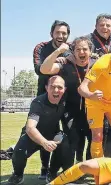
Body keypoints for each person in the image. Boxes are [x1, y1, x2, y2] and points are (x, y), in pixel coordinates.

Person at [8, 76, 73, 185]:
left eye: (59, 87)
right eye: (52, 87)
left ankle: (52, 172)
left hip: (52, 134)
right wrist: (44, 142)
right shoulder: (38, 103)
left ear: (64, 89)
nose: (56, 90)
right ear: (46, 88)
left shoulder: (65, 101)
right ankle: (17, 175)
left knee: (64, 141)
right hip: (32, 136)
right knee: (19, 151)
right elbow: (30, 128)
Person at [40, 36, 95, 164]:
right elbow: (44, 69)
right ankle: (69, 171)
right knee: (72, 139)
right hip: (70, 111)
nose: (81, 52)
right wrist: (57, 52)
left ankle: (87, 167)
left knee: (93, 139)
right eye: (78, 49)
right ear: (72, 51)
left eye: (85, 49)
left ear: (90, 51)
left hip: (91, 110)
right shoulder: (65, 63)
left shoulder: (96, 64)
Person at [32, 20, 71, 179]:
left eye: (64, 33)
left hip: (65, 98)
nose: (61, 36)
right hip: (45, 97)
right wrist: (57, 55)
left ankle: (61, 168)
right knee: (45, 131)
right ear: (51, 34)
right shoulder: (41, 47)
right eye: (58, 33)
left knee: (67, 134)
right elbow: (39, 69)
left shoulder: (70, 49)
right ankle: (44, 167)